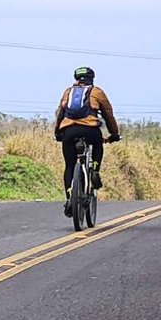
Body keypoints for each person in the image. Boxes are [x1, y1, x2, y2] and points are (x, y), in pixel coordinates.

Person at [53, 66, 121, 215]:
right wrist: (114, 134)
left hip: (69, 131)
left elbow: (60, 112)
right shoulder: (97, 92)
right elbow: (108, 114)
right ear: (92, 79)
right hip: (90, 130)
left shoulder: (68, 92)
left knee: (69, 165)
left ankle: (70, 196)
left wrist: (57, 132)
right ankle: (95, 170)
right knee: (98, 144)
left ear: (76, 79)